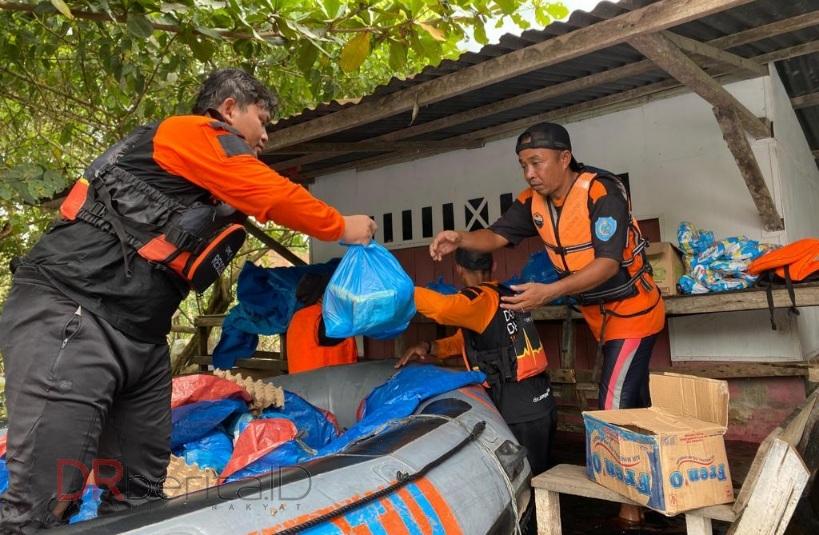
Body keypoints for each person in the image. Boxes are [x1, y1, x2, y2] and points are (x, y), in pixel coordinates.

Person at [0, 68, 375, 532]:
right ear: (230, 108)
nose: (264, 137)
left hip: (141, 337)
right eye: (262, 120)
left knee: (139, 492)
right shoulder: (192, 133)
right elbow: (273, 195)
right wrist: (345, 227)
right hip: (72, 313)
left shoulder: (210, 178)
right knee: (45, 496)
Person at [429, 122, 665, 528]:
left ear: (564, 158)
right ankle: (652, 493)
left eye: (536, 162)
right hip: (600, 316)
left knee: (612, 407)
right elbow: (496, 237)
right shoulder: (532, 202)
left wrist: (549, 292)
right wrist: (461, 239)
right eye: (523, 165)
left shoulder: (600, 193)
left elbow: (608, 264)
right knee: (634, 406)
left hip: (634, 310)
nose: (529, 173)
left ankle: (628, 512)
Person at [396, 248, 556, 534]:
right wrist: (431, 348)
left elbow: (443, 309)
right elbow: (470, 340)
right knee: (540, 481)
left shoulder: (479, 298)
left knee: (521, 485)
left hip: (516, 405)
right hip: (540, 400)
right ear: (493, 263)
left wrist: (399, 287)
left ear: (458, 269)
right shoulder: (504, 292)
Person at [286, 272, 357, 374]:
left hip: (302, 386)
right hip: (328, 386)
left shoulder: (298, 319)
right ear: (323, 295)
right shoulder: (323, 320)